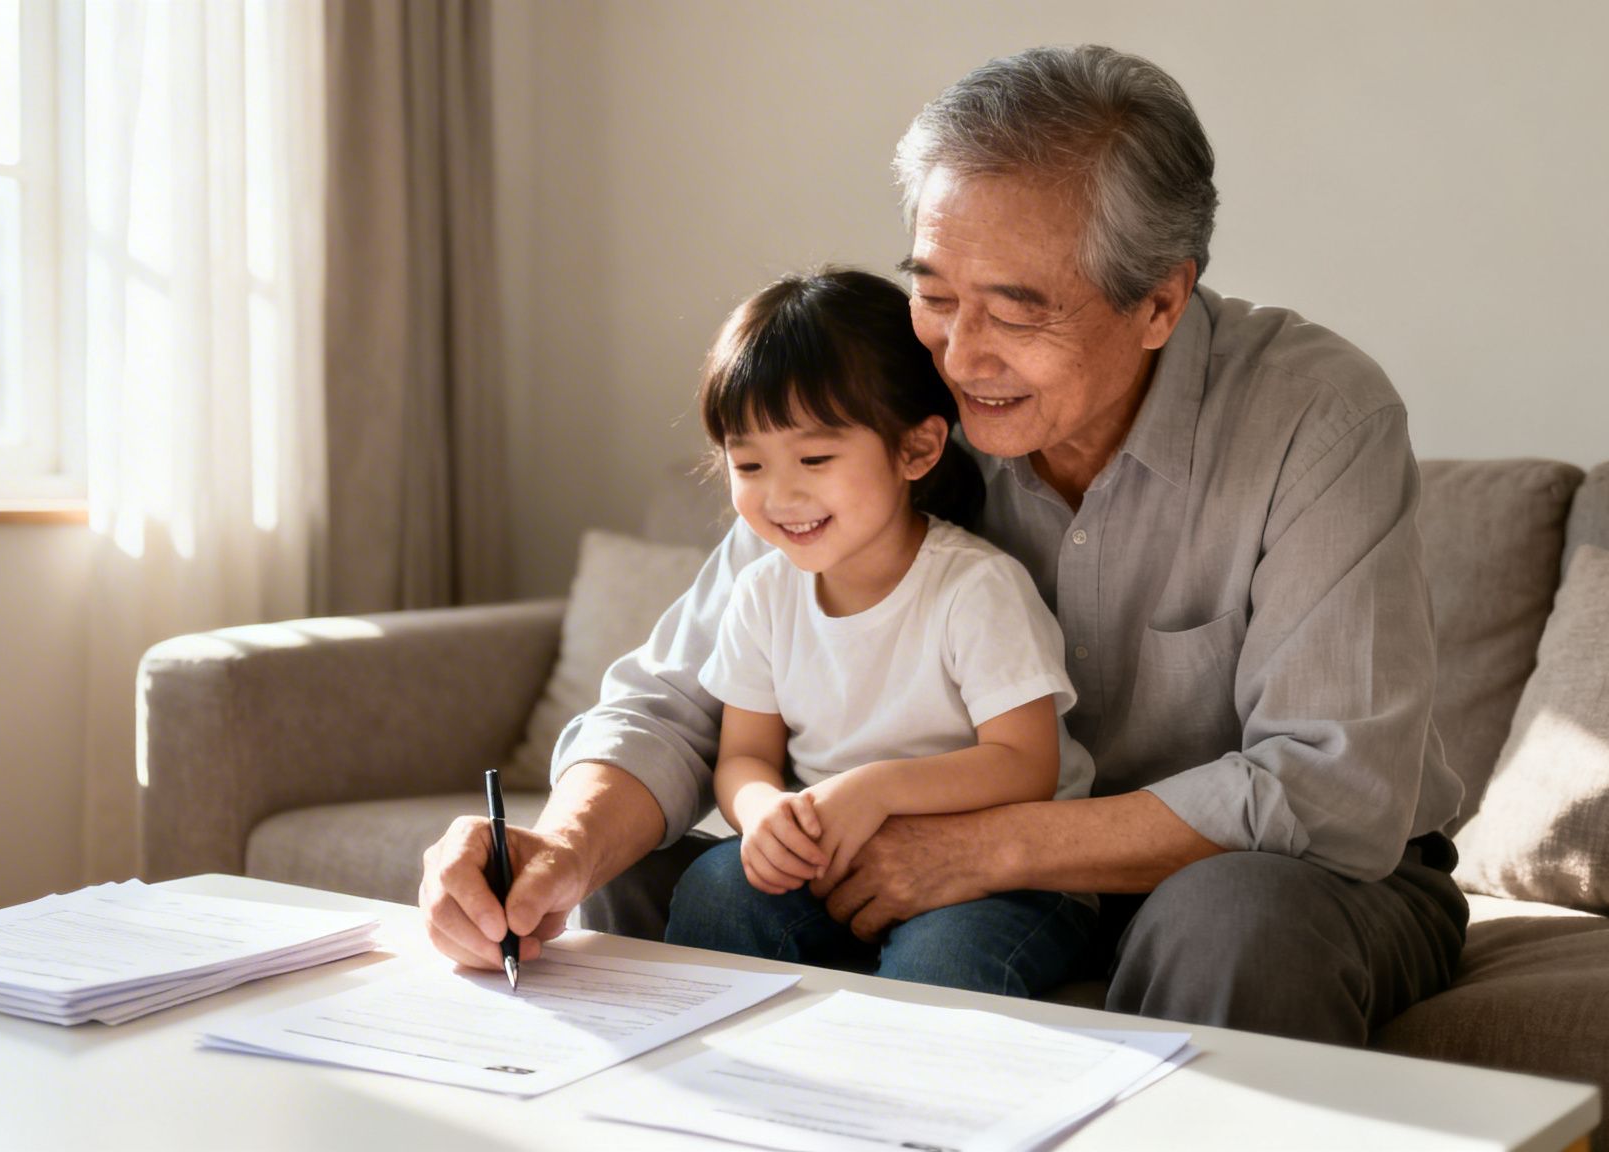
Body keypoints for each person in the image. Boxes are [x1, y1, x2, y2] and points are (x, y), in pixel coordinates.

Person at [421, 44, 1468, 1046]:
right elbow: (672, 705)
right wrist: (554, 845)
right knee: (645, 872)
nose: (961, 358)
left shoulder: (1312, 419)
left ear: (1159, 300)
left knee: (1235, 922)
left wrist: (987, 846)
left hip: (1266, 875)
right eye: (933, 294)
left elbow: (1331, 788)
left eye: (1016, 313)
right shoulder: (900, 394)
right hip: (934, 856)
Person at [663, 268, 1096, 994]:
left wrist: (876, 791)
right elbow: (742, 756)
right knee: (714, 890)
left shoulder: (973, 588)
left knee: (942, 966)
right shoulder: (763, 594)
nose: (781, 495)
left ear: (916, 451)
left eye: (815, 459)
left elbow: (1027, 764)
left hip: (1004, 876)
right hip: (837, 860)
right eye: (749, 464)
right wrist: (762, 812)